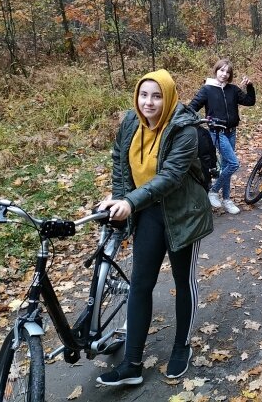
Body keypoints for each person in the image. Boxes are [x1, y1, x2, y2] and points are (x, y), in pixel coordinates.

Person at [97, 69, 213, 386]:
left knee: (182, 280)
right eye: (143, 94)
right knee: (140, 283)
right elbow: (120, 162)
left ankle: (181, 346)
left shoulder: (184, 128)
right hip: (148, 212)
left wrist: (131, 202)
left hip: (182, 214)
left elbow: (170, 177)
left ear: (169, 97)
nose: (148, 102)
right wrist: (121, 198)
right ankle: (132, 363)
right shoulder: (131, 123)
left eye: (157, 96)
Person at [189, 59, 256, 215]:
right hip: (217, 132)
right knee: (233, 164)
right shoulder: (207, 89)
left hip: (231, 132)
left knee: (227, 165)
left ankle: (226, 199)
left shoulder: (232, 89)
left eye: (228, 72)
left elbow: (250, 101)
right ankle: (213, 191)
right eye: (222, 71)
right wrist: (200, 120)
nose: (224, 74)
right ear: (216, 71)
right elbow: (192, 108)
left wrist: (250, 86)